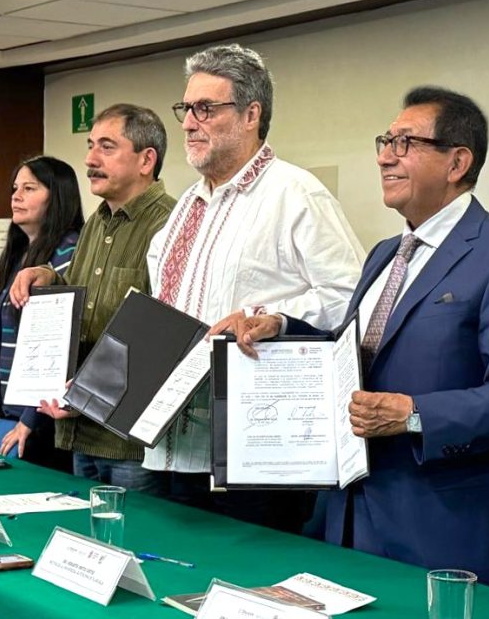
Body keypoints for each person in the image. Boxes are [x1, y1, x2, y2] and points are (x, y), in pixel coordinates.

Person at [225, 86, 489, 587]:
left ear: (457, 162)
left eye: (405, 143)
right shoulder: (385, 253)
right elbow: (357, 354)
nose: (385, 156)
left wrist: (414, 414)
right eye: (385, 141)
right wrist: (283, 327)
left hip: (449, 531)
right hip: (352, 517)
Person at [146, 43, 365, 531]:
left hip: (260, 449)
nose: (189, 123)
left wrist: (273, 318)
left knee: (252, 574)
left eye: (206, 108)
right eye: (186, 109)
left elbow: (352, 297)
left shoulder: (295, 193)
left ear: (251, 115)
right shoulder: (185, 207)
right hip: (177, 445)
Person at [8, 104, 175, 494]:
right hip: (79, 430)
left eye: (106, 147)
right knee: (88, 531)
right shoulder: (97, 223)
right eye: (90, 146)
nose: (90, 160)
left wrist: (89, 395)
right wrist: (50, 277)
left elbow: (165, 335)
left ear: (146, 160)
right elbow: (88, 299)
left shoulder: (171, 223)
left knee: (134, 532)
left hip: (131, 443)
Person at [0, 156, 83, 467]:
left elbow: (56, 348)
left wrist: (30, 418)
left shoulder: (70, 252)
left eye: (29, 188)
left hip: (45, 422)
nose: (16, 196)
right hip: (6, 412)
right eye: (15, 188)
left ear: (57, 196)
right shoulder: (16, 254)